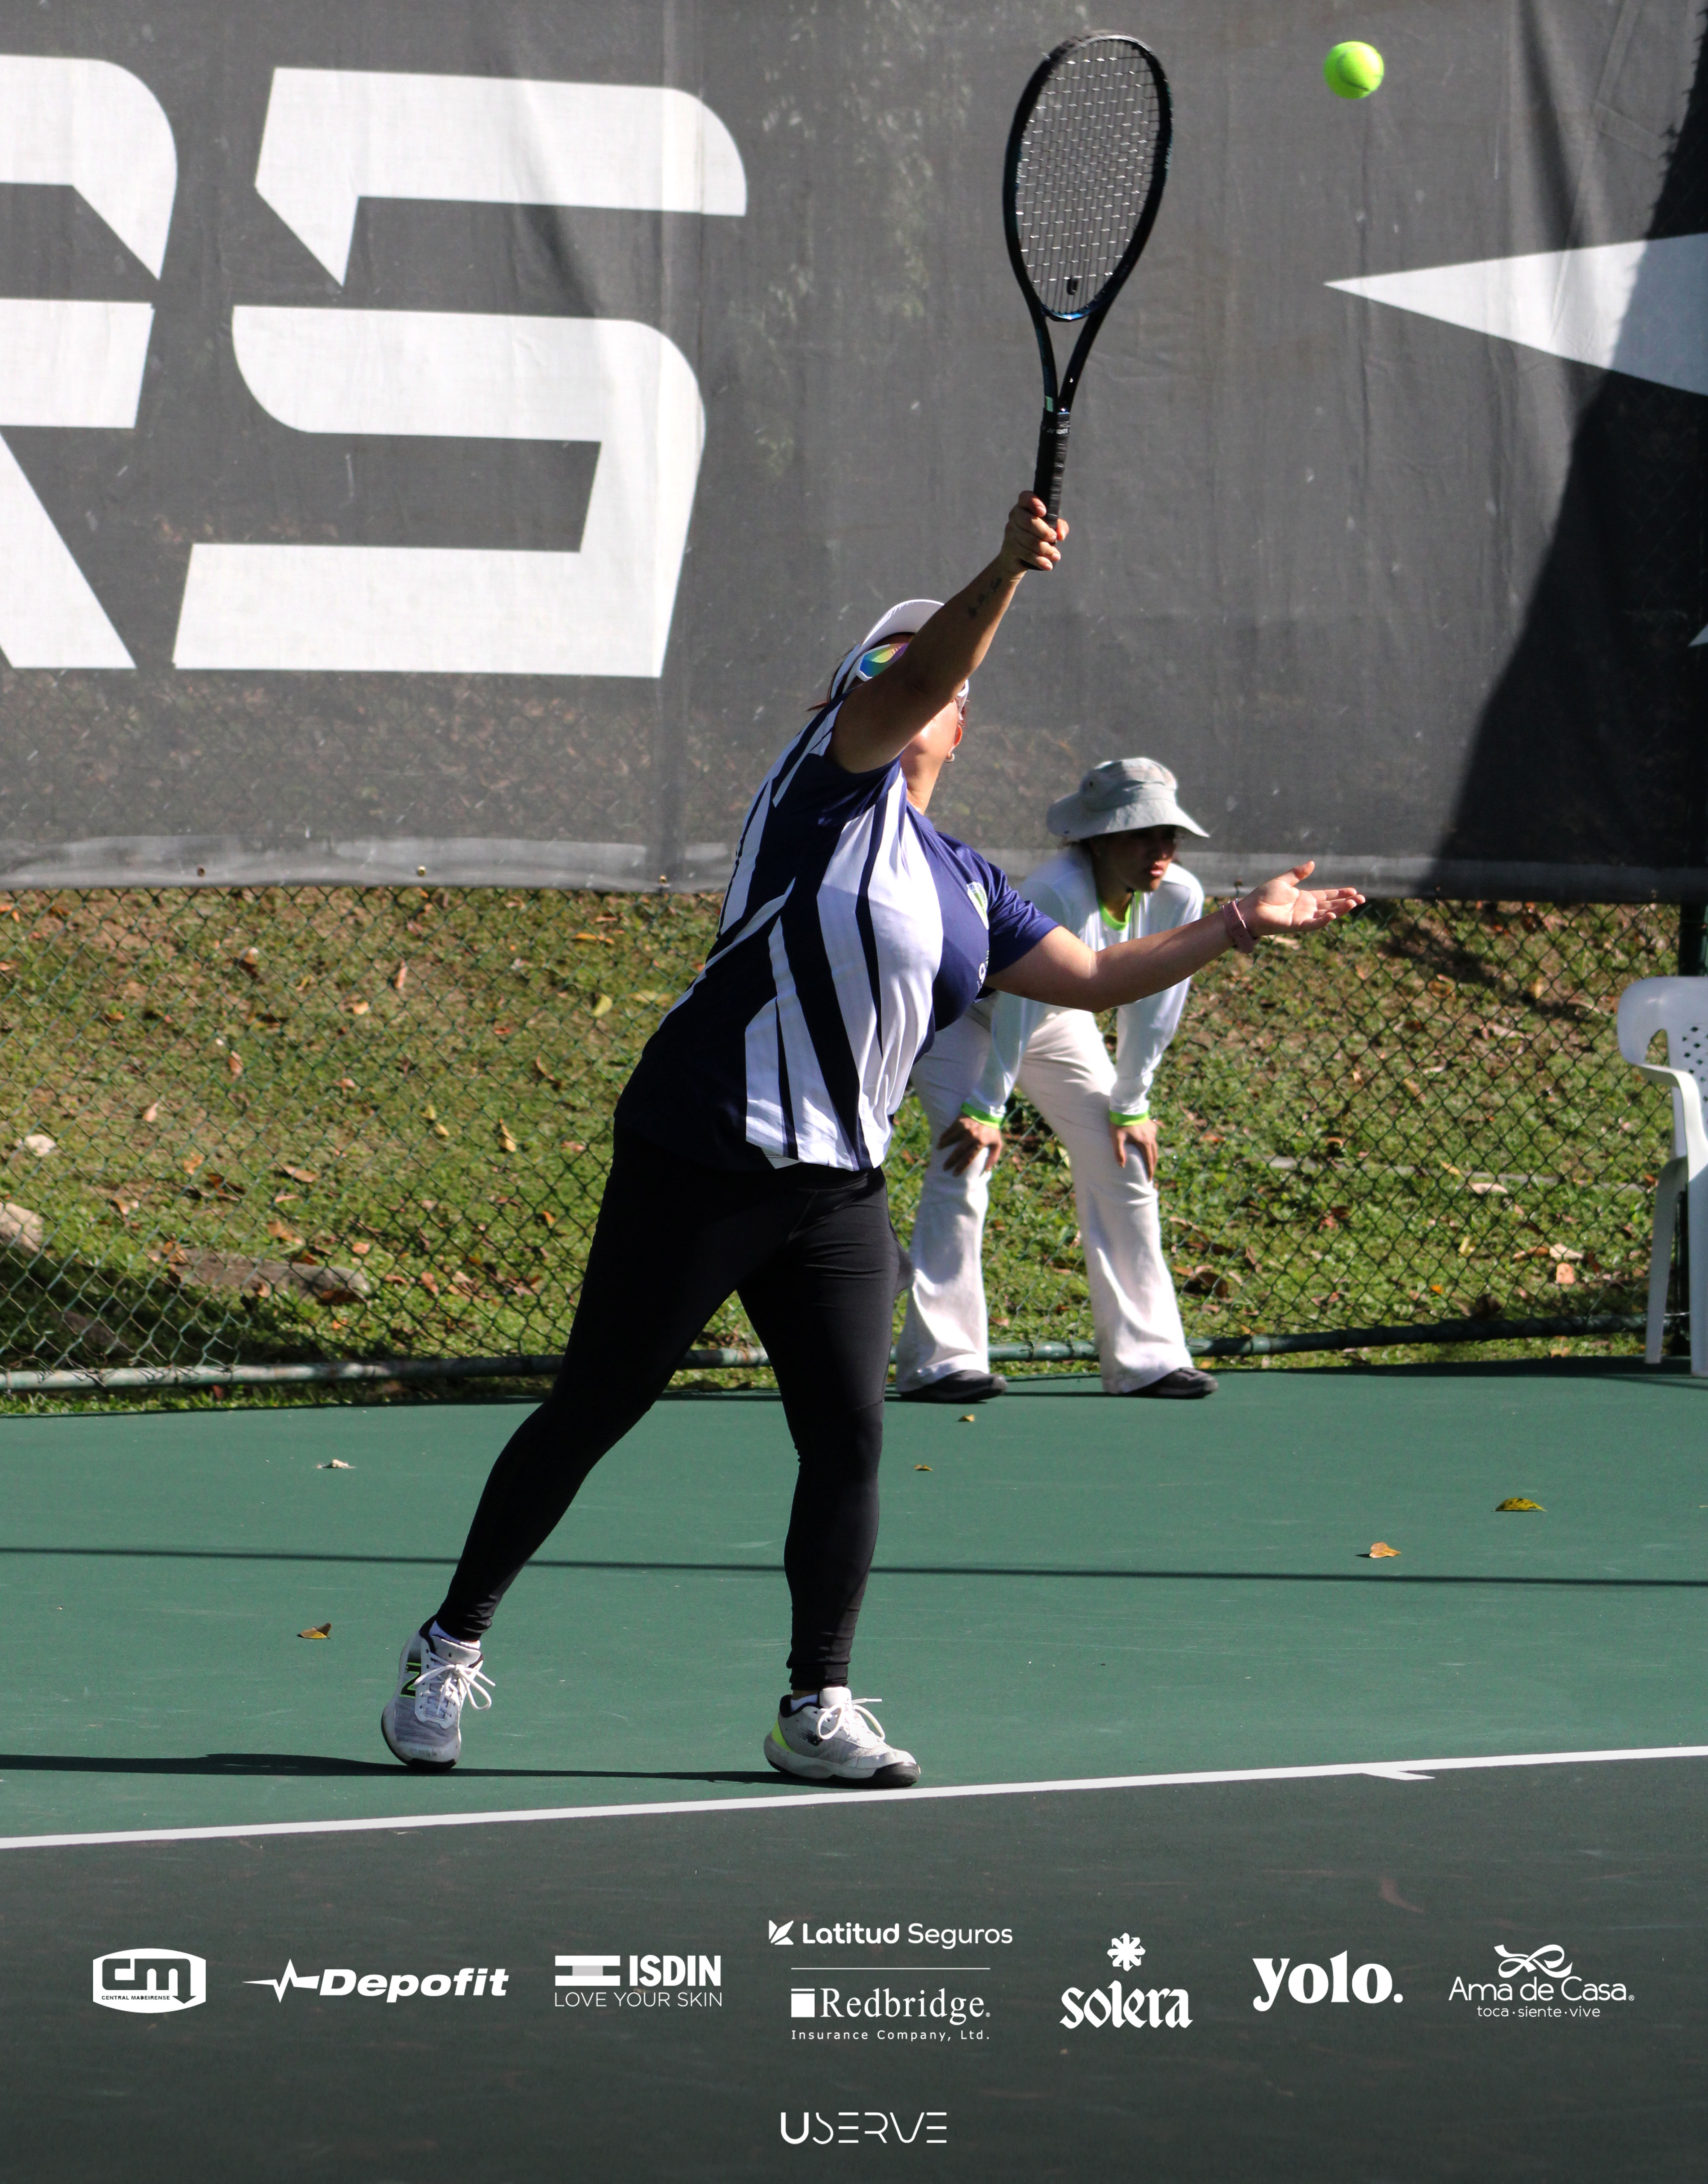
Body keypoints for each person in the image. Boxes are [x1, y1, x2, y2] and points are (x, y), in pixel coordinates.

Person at [378, 493, 1362, 1790]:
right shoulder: (822, 789)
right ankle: (447, 1647)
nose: (913, 682)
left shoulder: (962, 879)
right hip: (703, 1153)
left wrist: (1239, 921)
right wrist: (1005, 571)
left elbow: (1090, 978)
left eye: (931, 677)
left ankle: (816, 1703)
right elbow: (922, 671)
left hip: (836, 1191)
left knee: (848, 1438)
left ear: (962, 725)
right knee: (596, 1410)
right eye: (890, 667)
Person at [896, 756, 1216, 1404]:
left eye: (1169, 835)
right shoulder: (1057, 889)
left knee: (1123, 1158)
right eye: (1140, 835)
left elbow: (1156, 1000)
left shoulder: (1181, 894)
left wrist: (1132, 1102)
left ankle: (1148, 1360)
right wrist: (987, 1107)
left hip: (1056, 1017)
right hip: (965, 1016)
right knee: (964, 1158)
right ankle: (942, 1363)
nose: (1160, 851)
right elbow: (1018, 1001)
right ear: (1097, 839)